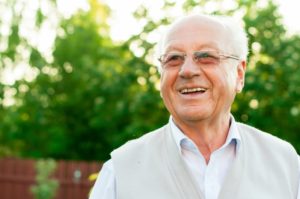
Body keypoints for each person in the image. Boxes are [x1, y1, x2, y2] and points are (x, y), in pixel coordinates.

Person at [89, 14, 300, 199]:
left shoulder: (287, 166)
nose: (187, 70)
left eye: (206, 57)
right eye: (173, 58)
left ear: (239, 74)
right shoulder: (120, 172)